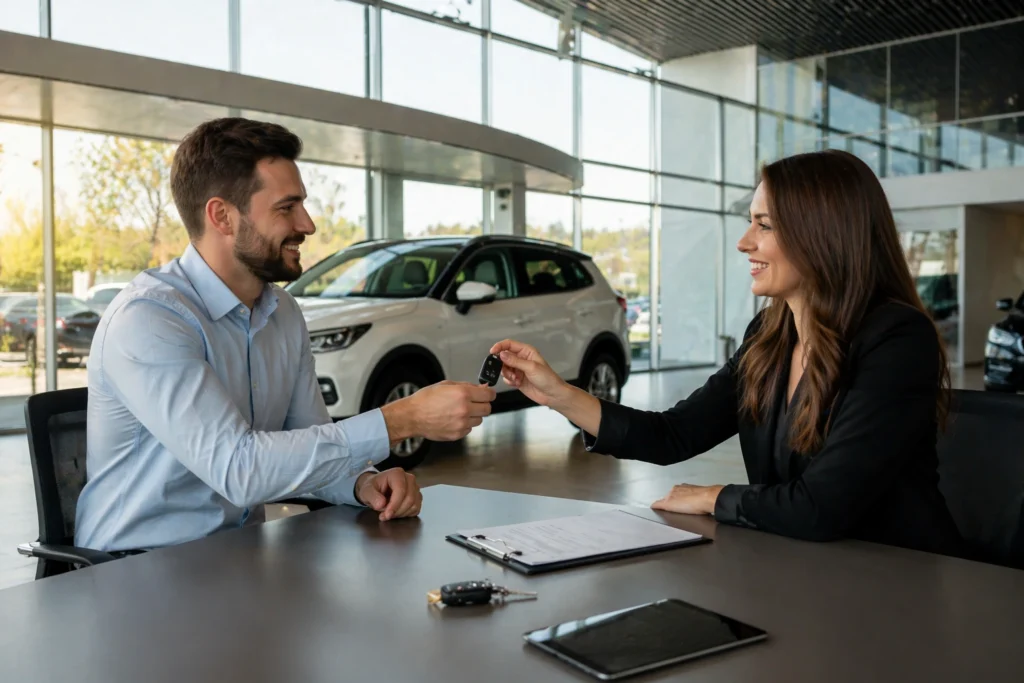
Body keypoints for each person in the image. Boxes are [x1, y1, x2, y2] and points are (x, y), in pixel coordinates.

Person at [492, 149, 963, 557]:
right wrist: (559, 394)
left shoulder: (898, 340)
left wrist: (715, 497)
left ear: (823, 235)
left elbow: (823, 506)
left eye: (765, 225)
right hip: (805, 569)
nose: (744, 242)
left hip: (900, 583)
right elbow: (671, 434)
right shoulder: (770, 335)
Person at [75, 118, 496, 553]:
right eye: (286, 208)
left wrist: (362, 482)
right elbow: (239, 469)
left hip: (236, 561)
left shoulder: (282, 312)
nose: (308, 224)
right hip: (132, 573)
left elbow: (309, 446)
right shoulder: (149, 320)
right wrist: (401, 420)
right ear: (222, 216)